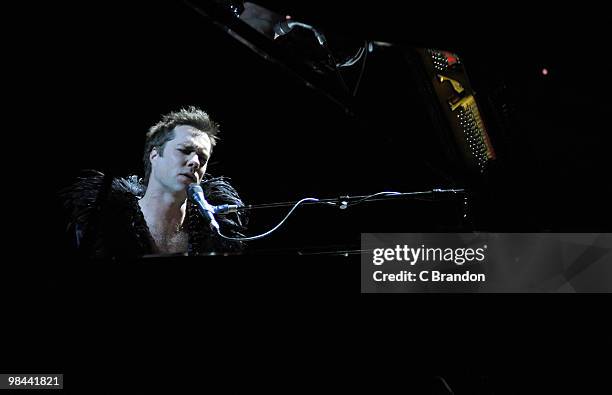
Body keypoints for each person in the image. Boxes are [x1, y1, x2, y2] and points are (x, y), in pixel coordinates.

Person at [61, 107, 248, 260]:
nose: (195, 162)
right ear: (154, 155)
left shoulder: (216, 234)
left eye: (202, 158)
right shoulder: (101, 223)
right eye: (185, 150)